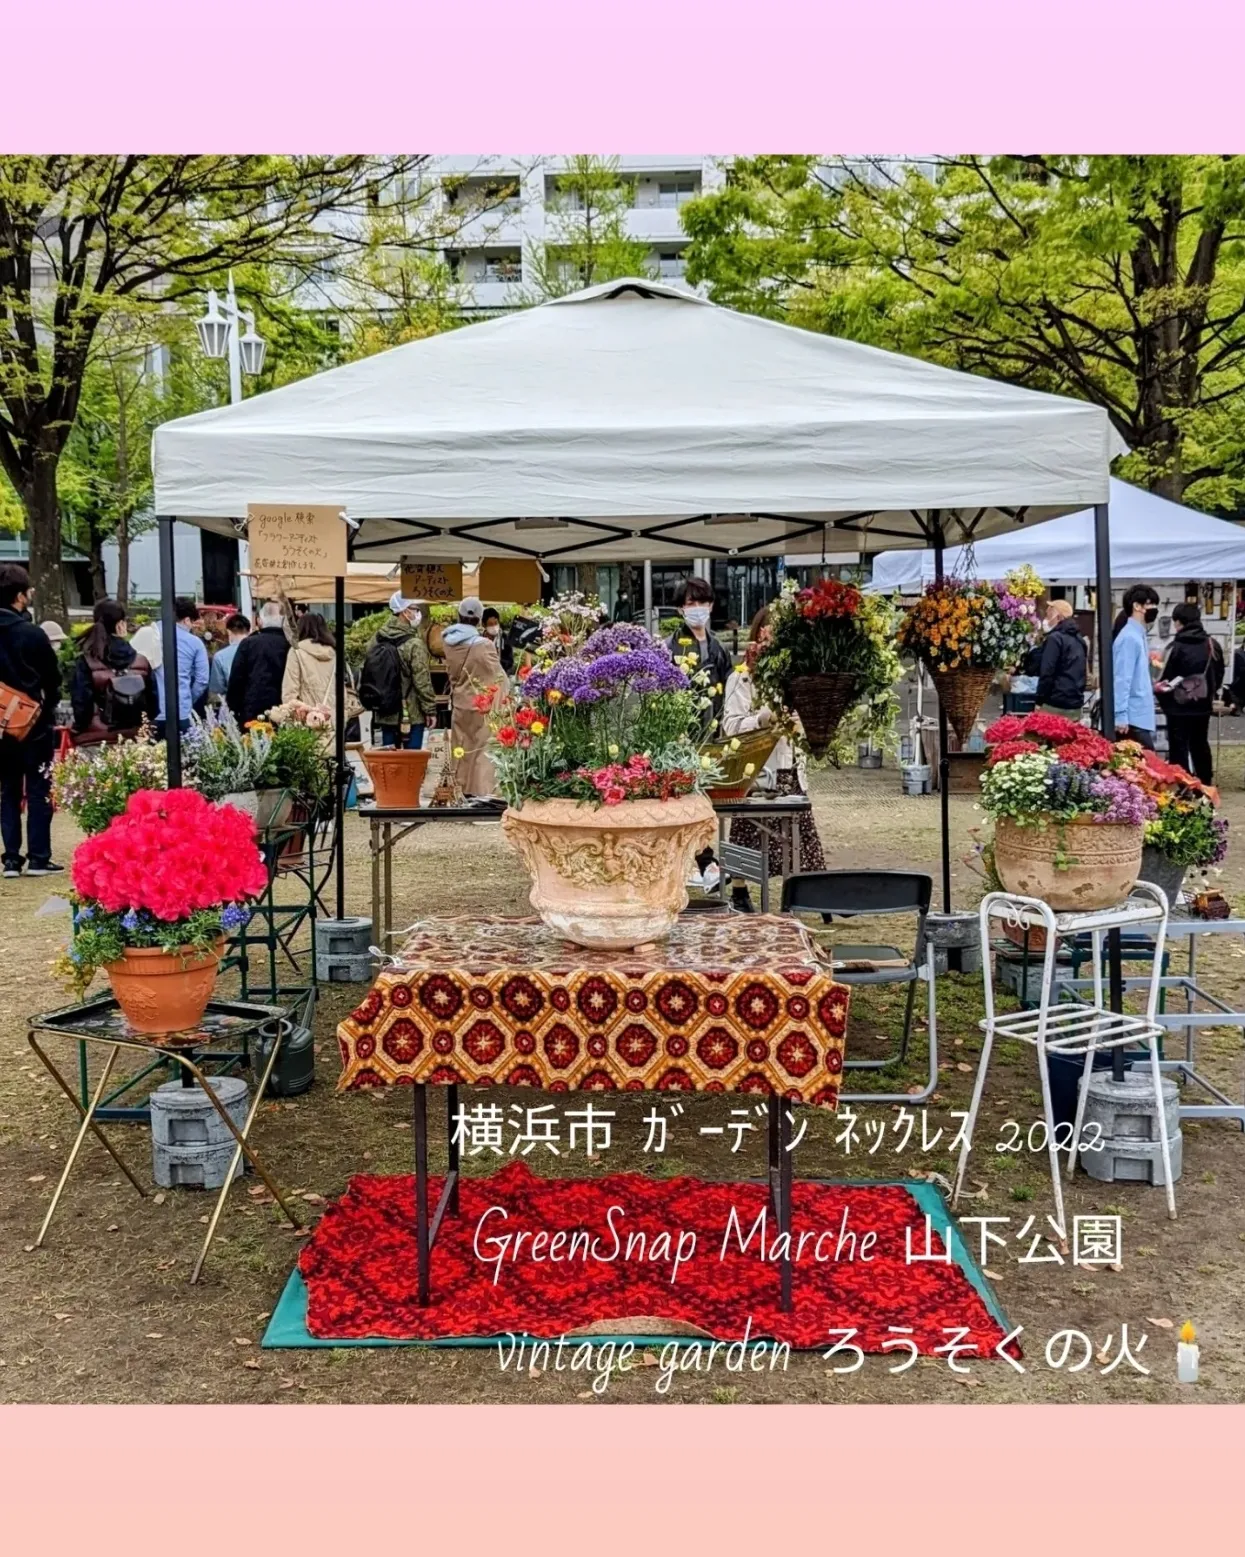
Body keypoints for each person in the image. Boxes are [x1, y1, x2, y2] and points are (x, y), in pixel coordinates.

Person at [721, 607, 826, 910]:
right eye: (768, 633)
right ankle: (739, 891)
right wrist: (762, 719)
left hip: (790, 767)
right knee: (748, 832)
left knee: (799, 835)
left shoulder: (795, 676)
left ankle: (800, 895)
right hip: (758, 769)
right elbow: (730, 726)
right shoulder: (740, 679)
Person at [0, 564, 63, 877]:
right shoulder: (32, 634)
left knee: (7, 789)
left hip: (0, 728)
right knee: (38, 788)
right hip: (33, 723)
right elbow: (52, 679)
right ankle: (39, 857)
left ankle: (11, 858)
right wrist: (45, 708)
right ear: (20, 597)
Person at [69, 598, 155, 746]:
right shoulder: (141, 663)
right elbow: (154, 705)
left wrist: (79, 728)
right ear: (121, 625)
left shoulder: (87, 662)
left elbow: (82, 707)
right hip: (135, 738)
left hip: (95, 739)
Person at [443, 595, 502, 801]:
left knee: (461, 746)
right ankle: (482, 792)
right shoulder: (484, 645)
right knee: (482, 747)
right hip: (481, 703)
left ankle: (460, 788)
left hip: (459, 701)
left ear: (458, 615)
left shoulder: (448, 642)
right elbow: (497, 675)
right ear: (479, 619)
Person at [359, 592, 437, 749]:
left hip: (384, 710)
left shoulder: (377, 639)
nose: (417, 613)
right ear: (405, 612)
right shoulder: (414, 644)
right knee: (412, 764)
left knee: (389, 763)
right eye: (415, 609)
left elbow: (366, 668)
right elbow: (422, 681)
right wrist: (430, 710)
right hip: (411, 713)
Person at [1159, 602, 1222, 783]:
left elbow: (1165, 678)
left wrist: (1165, 699)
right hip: (1202, 706)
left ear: (1179, 622)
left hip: (1177, 708)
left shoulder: (1174, 647)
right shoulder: (1212, 644)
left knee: (1178, 748)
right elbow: (1218, 673)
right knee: (1200, 744)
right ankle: (1205, 784)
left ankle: (1182, 787)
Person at [666, 576, 732, 736]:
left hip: (714, 731)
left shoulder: (719, 649)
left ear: (710, 606)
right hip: (680, 734)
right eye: (691, 604)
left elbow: (729, 691)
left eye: (702, 603)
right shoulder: (669, 647)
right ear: (681, 609)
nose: (697, 608)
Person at [226, 599, 290, 729]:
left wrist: (233, 708)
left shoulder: (249, 644)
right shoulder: (289, 644)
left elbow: (236, 679)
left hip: (252, 708)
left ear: (260, 621)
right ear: (283, 620)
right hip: (283, 709)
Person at [1110, 584, 1160, 748]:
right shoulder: (1129, 638)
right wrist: (1120, 715)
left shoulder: (1137, 635)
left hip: (1138, 714)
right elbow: (1122, 678)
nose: (1154, 608)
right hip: (1132, 717)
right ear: (1137, 606)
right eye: (1150, 603)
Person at [155, 597, 210, 737]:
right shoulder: (195, 642)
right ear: (186, 620)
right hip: (181, 711)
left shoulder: (151, 633)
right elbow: (202, 680)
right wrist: (188, 698)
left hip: (152, 712)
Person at [1035, 599, 1088, 719]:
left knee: (1046, 735)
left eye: (1048, 615)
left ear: (1058, 617)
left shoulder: (1055, 639)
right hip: (1075, 703)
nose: (1046, 620)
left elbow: (1047, 672)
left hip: (1055, 703)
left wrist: (1039, 700)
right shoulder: (1080, 640)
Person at [282, 611, 337, 709]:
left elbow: (290, 692)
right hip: (333, 714)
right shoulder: (333, 653)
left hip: (307, 716)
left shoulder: (296, 651)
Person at [208, 612, 250, 700]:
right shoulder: (258, 651)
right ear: (249, 631)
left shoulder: (220, 656)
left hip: (232, 704)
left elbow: (217, 691)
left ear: (228, 632)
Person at [482, 606, 515, 678]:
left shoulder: (504, 638)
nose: (494, 626)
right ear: (484, 625)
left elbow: (510, 661)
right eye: (490, 624)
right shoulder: (479, 640)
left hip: (501, 676)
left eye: (496, 623)